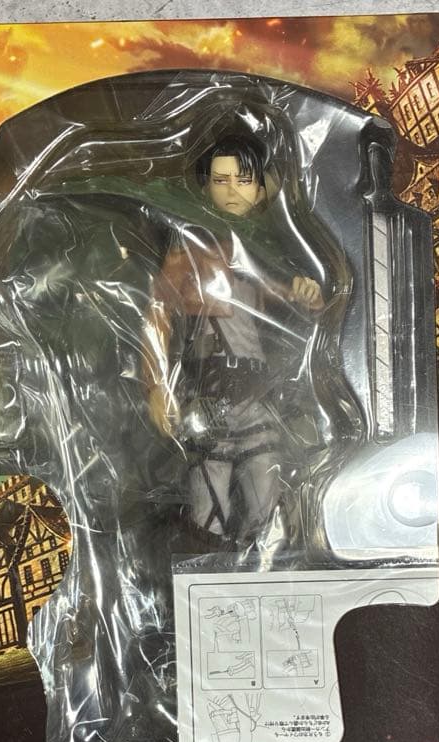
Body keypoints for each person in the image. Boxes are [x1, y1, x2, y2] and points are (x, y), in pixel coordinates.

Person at [141, 131, 327, 546]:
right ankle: (210, 558)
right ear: (205, 188)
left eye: (243, 180)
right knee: (210, 494)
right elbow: (157, 316)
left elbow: (290, 298)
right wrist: (156, 385)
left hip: (257, 390)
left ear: (260, 189)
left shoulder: (264, 252)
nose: (231, 191)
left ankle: (262, 556)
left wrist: (308, 292)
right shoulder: (188, 255)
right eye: (221, 180)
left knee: (266, 486)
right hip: (210, 389)